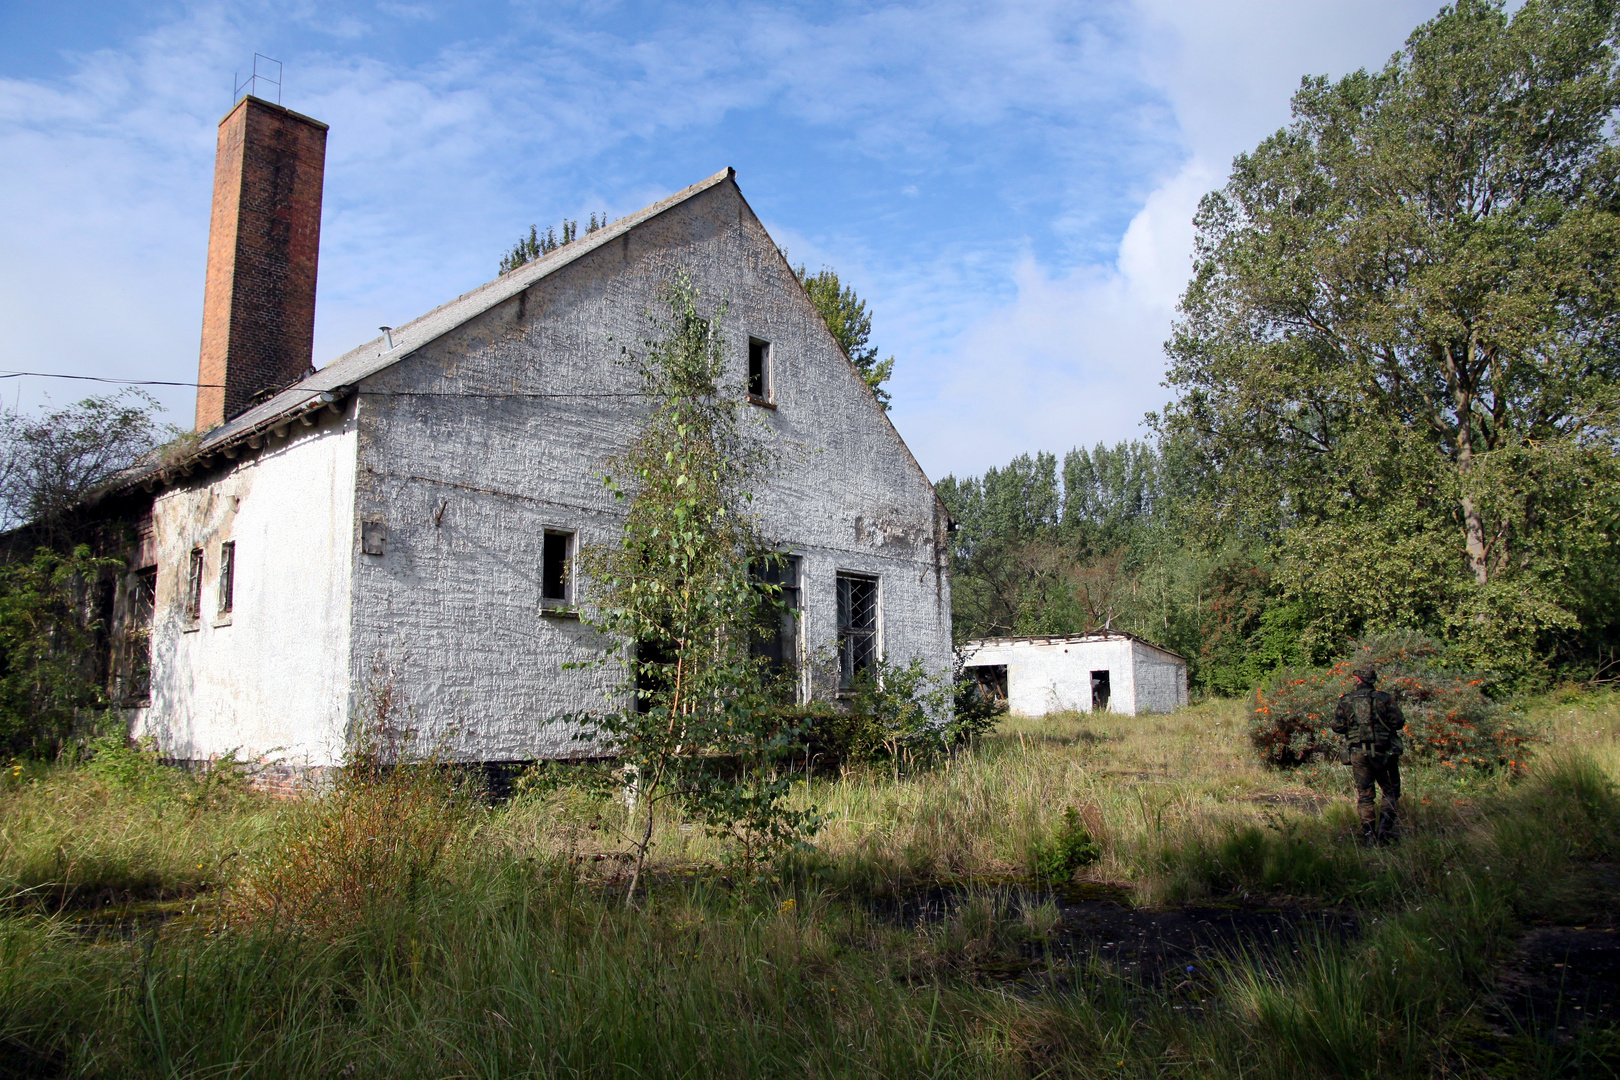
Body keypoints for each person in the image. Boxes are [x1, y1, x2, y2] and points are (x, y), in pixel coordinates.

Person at [1331, 665, 1405, 845]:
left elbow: (1337, 727)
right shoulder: (1385, 698)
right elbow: (1398, 722)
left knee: (1365, 794)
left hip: (1358, 753)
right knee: (1390, 791)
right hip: (1384, 752)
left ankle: (1368, 835)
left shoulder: (1346, 700)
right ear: (1372, 680)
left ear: (1358, 680)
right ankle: (1384, 831)